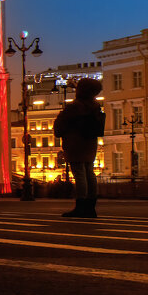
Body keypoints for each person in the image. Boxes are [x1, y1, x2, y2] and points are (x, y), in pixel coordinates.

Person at [53, 78, 105, 218]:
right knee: (89, 172)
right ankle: (90, 206)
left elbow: (59, 126)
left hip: (75, 143)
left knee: (79, 174)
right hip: (90, 143)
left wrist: (60, 121)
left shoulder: (75, 106)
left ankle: (81, 206)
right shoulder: (95, 105)